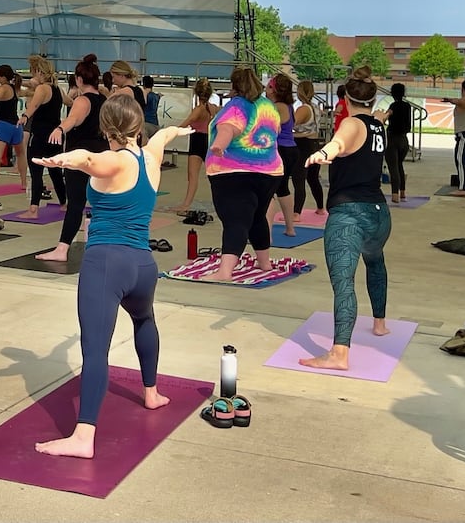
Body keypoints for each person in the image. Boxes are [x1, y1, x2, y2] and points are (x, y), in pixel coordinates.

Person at [32, 96, 186, 458]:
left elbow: (87, 159)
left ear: (106, 128)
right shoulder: (150, 158)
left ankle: (83, 438)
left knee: (95, 348)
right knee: (144, 319)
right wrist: (178, 130)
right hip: (143, 267)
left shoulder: (113, 161)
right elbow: (162, 137)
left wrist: (64, 159)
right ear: (136, 126)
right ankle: (152, 393)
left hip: (106, 264)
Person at [301, 66, 392, 370]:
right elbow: (373, 122)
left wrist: (323, 153)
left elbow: (340, 142)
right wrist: (380, 116)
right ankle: (379, 323)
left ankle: (340, 353)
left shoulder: (351, 123)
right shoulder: (379, 127)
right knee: (375, 262)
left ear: (346, 100)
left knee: (344, 284)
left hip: (349, 216)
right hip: (379, 215)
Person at [203, 66, 282, 281]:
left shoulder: (236, 106)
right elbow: (275, 131)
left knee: (235, 219)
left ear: (233, 85)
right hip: (269, 171)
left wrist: (218, 145)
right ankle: (264, 263)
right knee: (257, 218)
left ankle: (225, 271)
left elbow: (229, 128)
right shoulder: (268, 106)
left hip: (234, 171)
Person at [39, 55, 107, 264]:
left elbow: (73, 118)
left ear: (78, 79)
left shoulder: (82, 100)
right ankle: (106, 246)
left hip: (80, 158)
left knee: (76, 204)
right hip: (102, 156)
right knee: (102, 204)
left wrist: (60, 128)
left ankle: (62, 249)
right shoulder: (104, 100)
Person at [166, 78, 216, 215]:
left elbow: (186, 123)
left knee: (193, 176)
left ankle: (186, 204)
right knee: (212, 176)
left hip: (197, 141)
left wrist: (169, 132)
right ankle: (187, 204)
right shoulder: (212, 108)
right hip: (207, 140)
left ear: (196, 92)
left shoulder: (199, 110)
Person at [19, 56, 64, 207]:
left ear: (39, 72)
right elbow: (69, 102)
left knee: (36, 172)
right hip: (55, 136)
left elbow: (35, 105)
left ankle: (33, 208)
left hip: (40, 135)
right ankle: (64, 204)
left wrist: (25, 116)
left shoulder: (42, 88)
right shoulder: (57, 89)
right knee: (56, 172)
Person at [0, 65, 28, 192]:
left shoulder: (2, 89)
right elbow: (26, 93)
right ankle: (24, 183)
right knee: (21, 154)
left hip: (3, 125)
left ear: (3, 77)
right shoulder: (14, 89)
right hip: (16, 126)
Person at [267, 74, 301, 236]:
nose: (265, 90)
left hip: (280, 150)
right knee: (282, 189)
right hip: (291, 149)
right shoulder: (288, 106)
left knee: (269, 190)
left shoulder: (278, 106)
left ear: (274, 90)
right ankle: (290, 228)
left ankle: (267, 232)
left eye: (268, 87)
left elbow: (269, 126)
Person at [291, 80, 325, 214]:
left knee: (298, 178)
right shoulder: (316, 107)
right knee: (313, 178)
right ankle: (320, 207)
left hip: (303, 145)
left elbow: (291, 125)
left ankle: (296, 213)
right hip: (315, 144)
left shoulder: (303, 109)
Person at [381, 83, 413, 203]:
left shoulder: (393, 106)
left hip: (393, 139)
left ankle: (395, 194)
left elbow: (386, 116)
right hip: (404, 140)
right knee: (399, 165)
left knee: (393, 168)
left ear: (392, 93)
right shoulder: (407, 106)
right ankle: (403, 192)